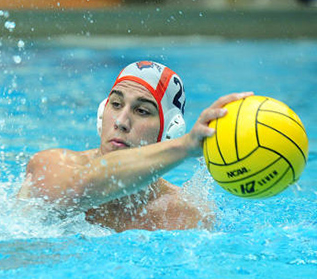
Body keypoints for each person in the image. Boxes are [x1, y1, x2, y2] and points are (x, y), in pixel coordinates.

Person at [18, 61, 253, 232]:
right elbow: (79, 189)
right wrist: (186, 147)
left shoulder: (184, 215)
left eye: (142, 111)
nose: (120, 122)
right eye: (116, 104)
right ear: (102, 112)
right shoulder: (51, 165)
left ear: (170, 131)